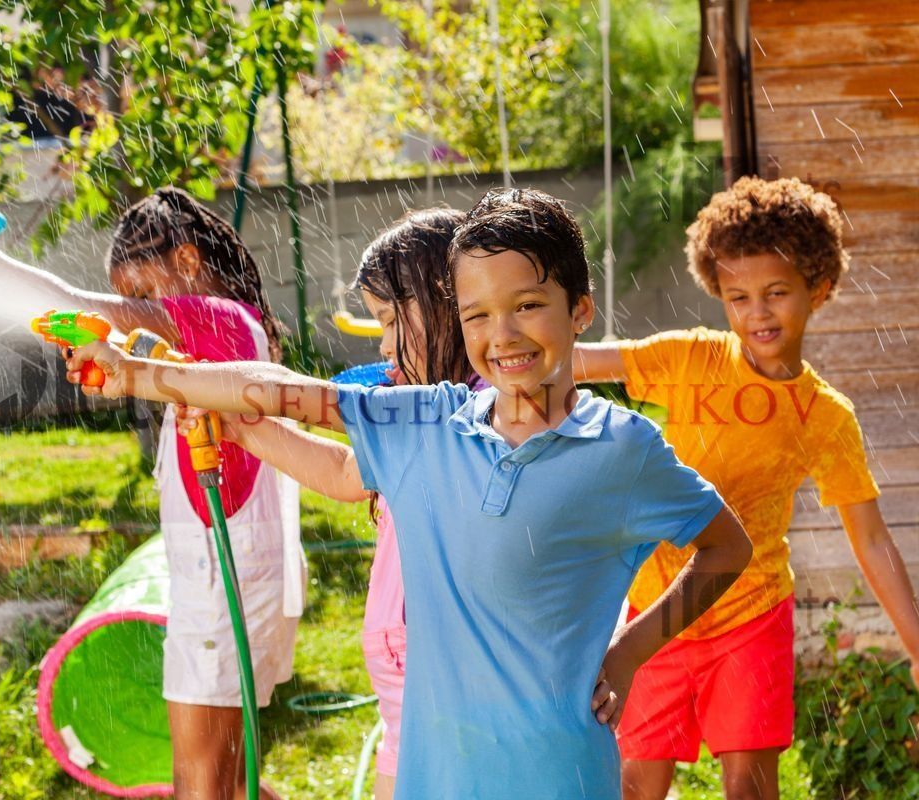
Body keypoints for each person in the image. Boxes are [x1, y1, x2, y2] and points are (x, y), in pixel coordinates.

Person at [63, 187, 754, 800]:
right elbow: (286, 395)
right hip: (430, 771)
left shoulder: (622, 448)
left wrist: (630, 651)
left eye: (528, 307)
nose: (502, 335)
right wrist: (137, 376)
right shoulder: (429, 419)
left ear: (580, 311)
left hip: (559, 774)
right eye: (478, 316)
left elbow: (726, 546)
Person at [574, 176, 919, 800]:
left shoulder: (826, 416)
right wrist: (501, 350)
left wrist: (917, 644)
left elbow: (869, 539)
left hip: (752, 614)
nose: (756, 313)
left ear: (819, 288)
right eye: (738, 297)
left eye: (776, 293)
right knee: (635, 781)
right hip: (656, 612)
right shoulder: (691, 359)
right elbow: (577, 363)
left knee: (751, 786)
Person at [0, 186, 301, 800]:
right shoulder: (237, 329)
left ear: (185, 262)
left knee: (200, 782)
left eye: (143, 297)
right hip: (237, 570)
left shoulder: (216, 316)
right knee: (229, 773)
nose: (138, 315)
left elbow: (70, 303)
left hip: (220, 576)